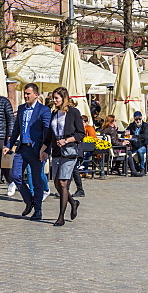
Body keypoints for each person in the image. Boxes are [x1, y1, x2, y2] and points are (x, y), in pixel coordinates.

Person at [6, 82, 51, 221]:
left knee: (36, 180)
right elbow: (16, 129)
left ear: (36, 95)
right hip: (22, 148)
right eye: (25, 93)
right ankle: (29, 201)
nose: (25, 96)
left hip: (36, 149)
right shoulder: (21, 109)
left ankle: (37, 210)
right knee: (16, 175)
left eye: (28, 94)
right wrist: (9, 144)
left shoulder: (43, 110)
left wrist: (45, 149)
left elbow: (47, 131)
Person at [44, 87, 84, 227]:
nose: (54, 101)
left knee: (63, 183)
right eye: (53, 98)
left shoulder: (73, 113)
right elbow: (50, 134)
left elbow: (81, 133)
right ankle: (73, 202)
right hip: (56, 151)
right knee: (56, 183)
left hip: (69, 151)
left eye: (57, 98)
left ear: (64, 98)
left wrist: (67, 140)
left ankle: (61, 216)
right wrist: (43, 149)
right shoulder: (54, 113)